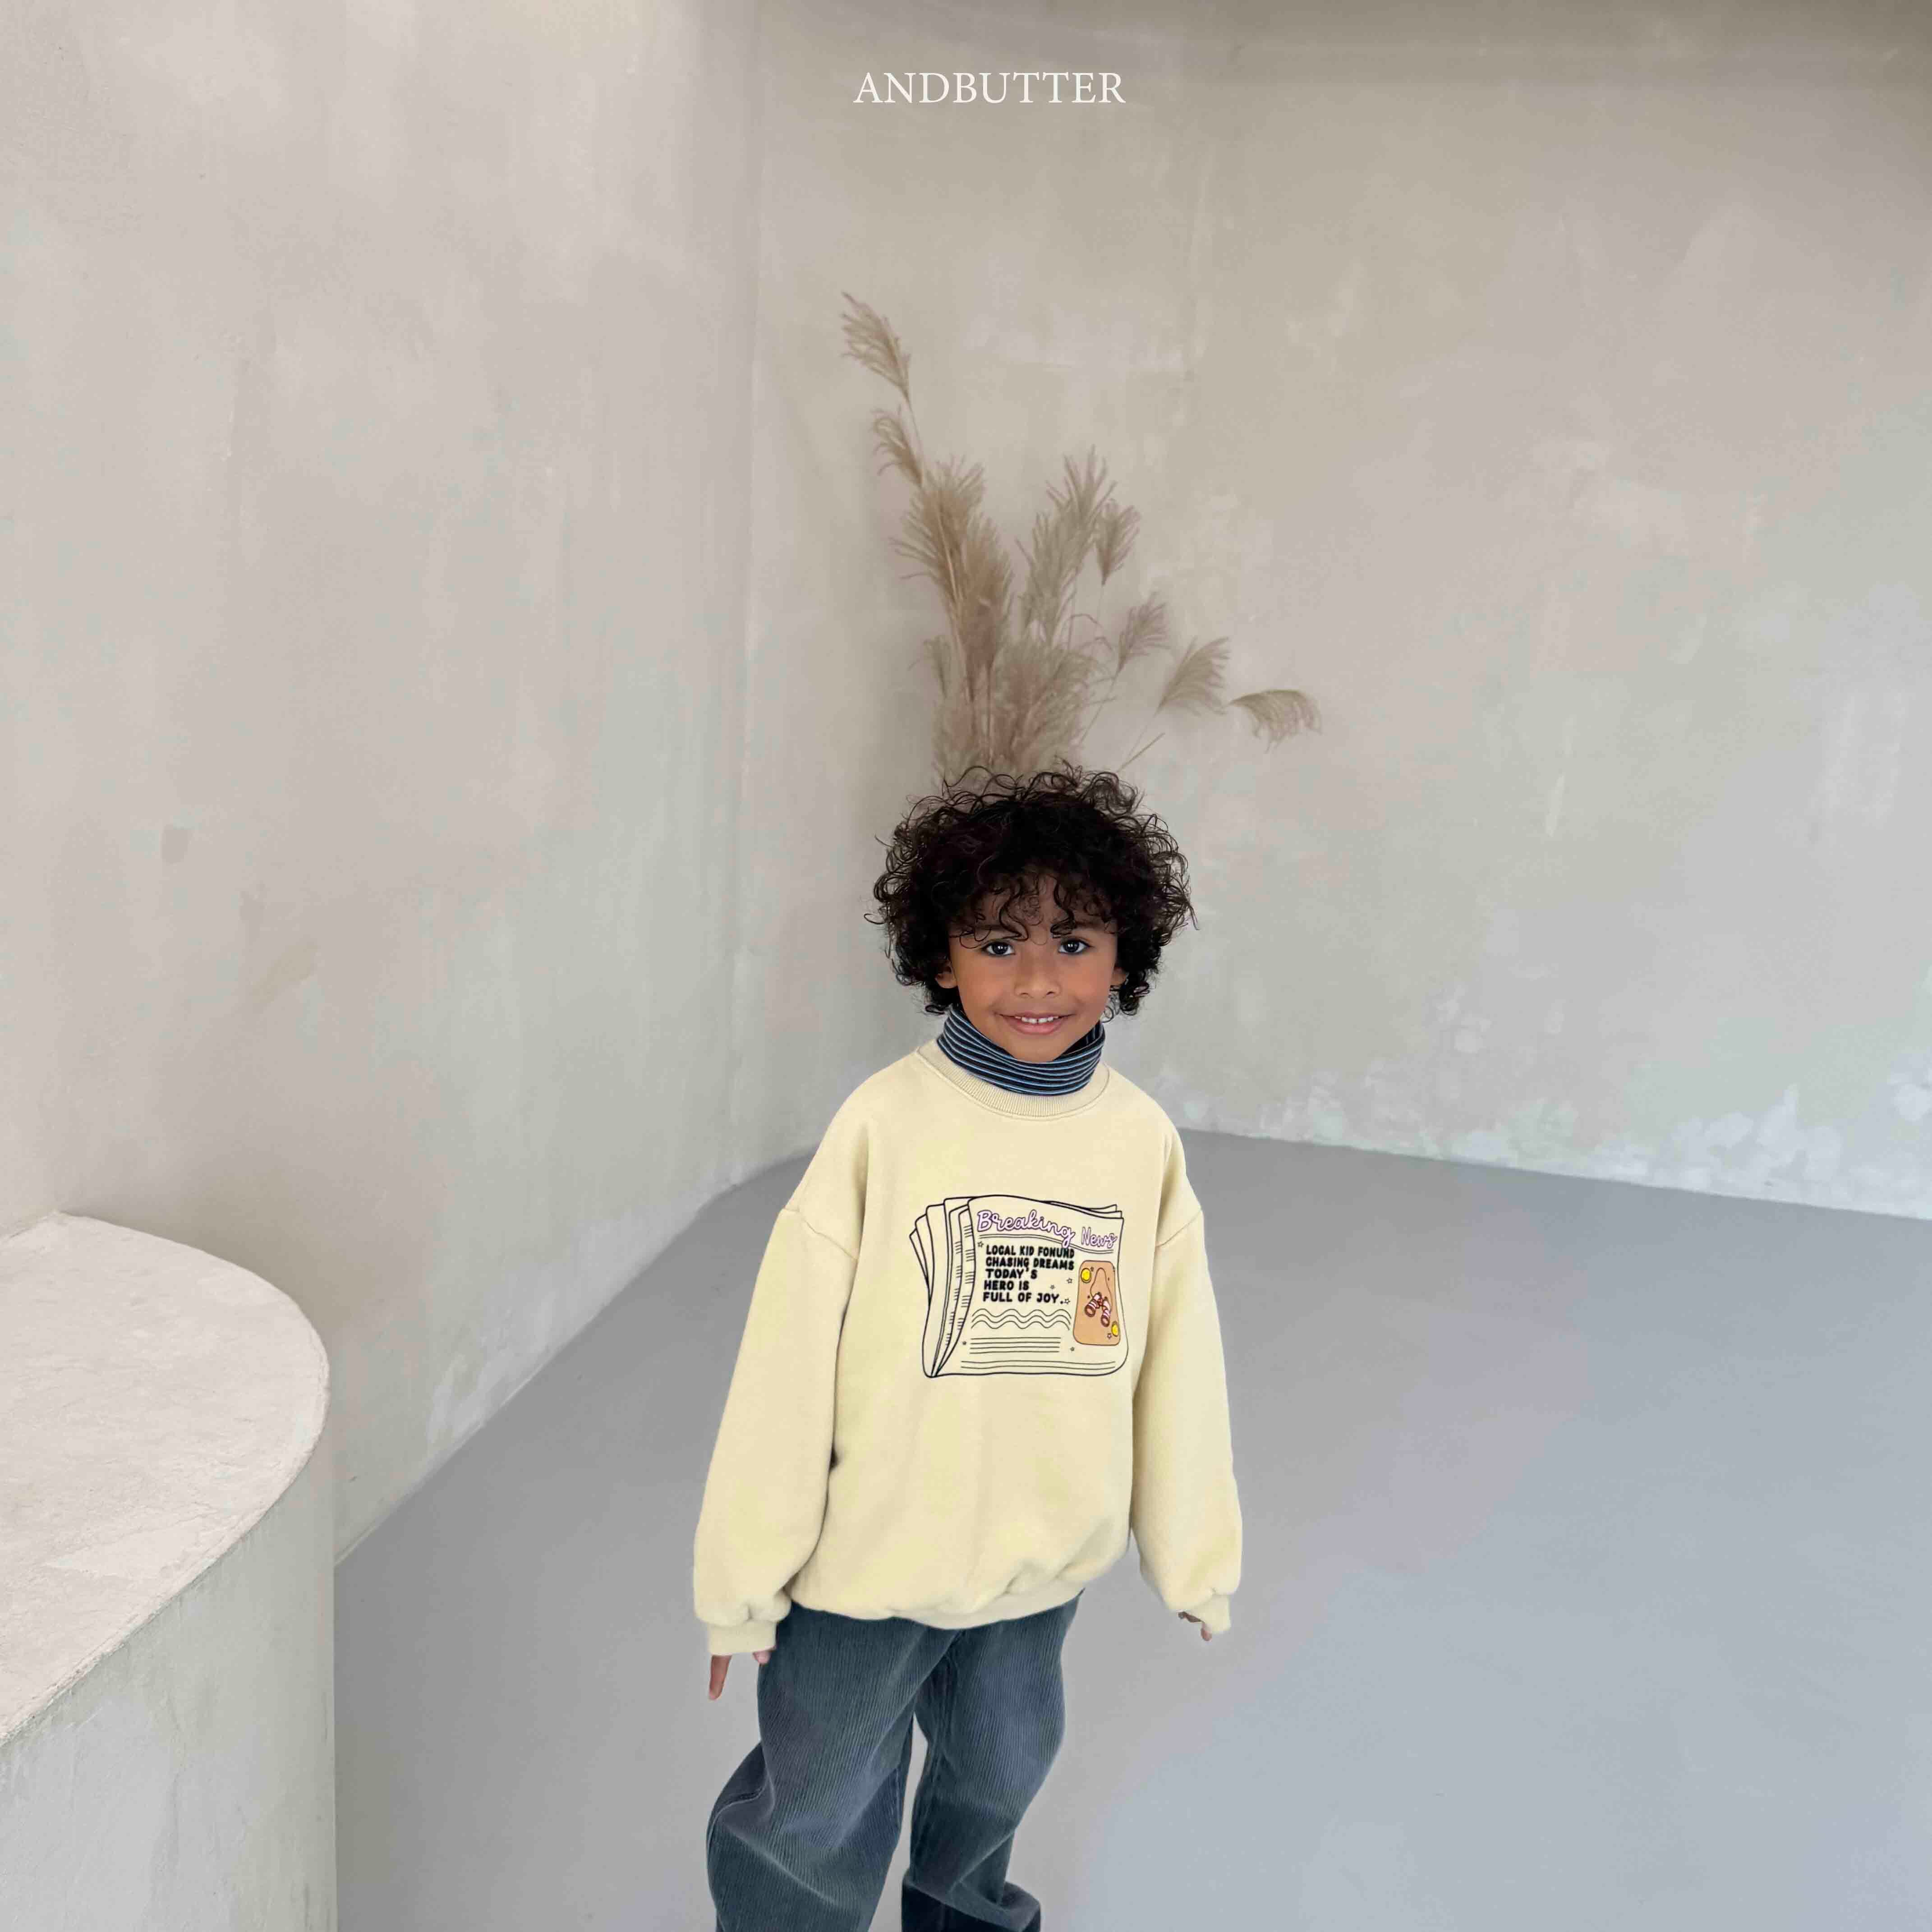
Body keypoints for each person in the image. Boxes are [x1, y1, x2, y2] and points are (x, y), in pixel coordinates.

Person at [694, 762, 1243, 1932]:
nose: (1038, 979)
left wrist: (1195, 1555)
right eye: (997, 943)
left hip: (1039, 1561)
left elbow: (1179, 1365)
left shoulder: (1140, 1141)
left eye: (1075, 941)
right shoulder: (884, 1125)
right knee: (815, 1803)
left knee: (995, 1779)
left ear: (1124, 958)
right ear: (940, 958)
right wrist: (742, 1585)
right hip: (867, 1569)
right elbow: (784, 1370)